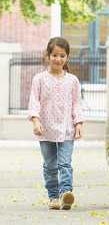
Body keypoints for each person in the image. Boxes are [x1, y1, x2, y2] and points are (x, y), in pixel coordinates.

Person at [28, 37, 83, 210]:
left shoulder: (72, 80)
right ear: (47, 56)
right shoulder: (39, 79)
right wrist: (35, 121)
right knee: (51, 165)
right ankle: (53, 196)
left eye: (62, 56)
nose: (58, 59)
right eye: (54, 55)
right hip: (45, 129)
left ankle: (66, 193)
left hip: (67, 129)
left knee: (65, 163)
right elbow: (34, 102)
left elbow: (76, 103)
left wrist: (78, 124)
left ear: (67, 57)